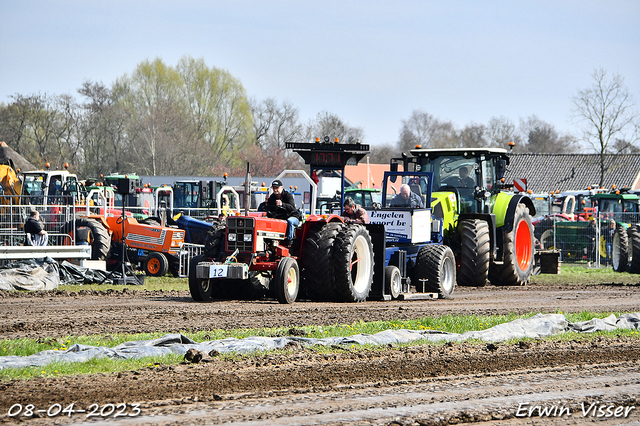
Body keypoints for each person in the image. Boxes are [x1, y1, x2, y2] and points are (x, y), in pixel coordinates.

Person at [266, 179, 301, 246]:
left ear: (281, 187)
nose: (275, 190)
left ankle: (290, 241)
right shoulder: (272, 198)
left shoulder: (288, 195)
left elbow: (292, 207)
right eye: (274, 188)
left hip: (292, 216)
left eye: (277, 188)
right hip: (279, 217)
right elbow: (269, 208)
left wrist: (282, 204)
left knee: (290, 221)